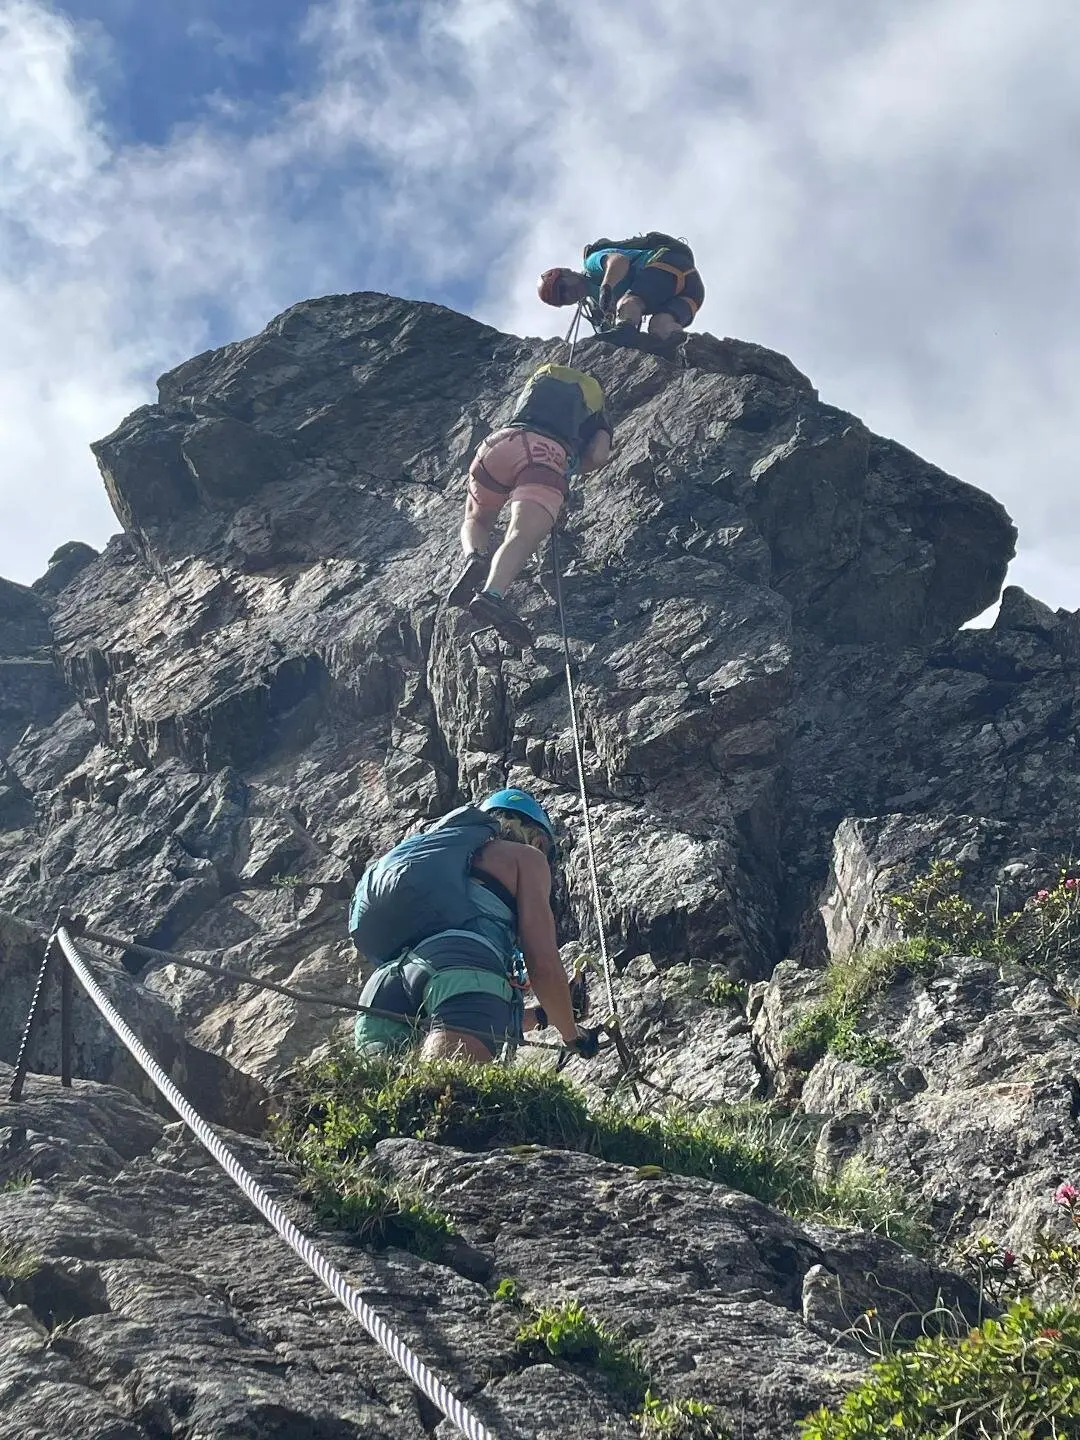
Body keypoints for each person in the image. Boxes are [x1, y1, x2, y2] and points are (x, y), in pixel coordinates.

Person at [352, 788, 599, 1065]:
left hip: (385, 987)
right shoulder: (526, 857)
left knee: (383, 1103)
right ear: (539, 841)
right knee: (450, 1100)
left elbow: (483, 1014)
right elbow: (541, 961)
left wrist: (547, 1015)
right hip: (460, 967)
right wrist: (572, 1035)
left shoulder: (444, 858)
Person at [446, 364, 614, 647]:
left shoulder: (538, 384)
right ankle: (491, 595)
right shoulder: (597, 411)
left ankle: (474, 556)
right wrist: (569, 469)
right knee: (521, 535)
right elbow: (598, 455)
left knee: (476, 519)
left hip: (499, 443)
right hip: (545, 454)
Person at [537, 231, 704, 346]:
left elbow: (619, 261)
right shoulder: (596, 308)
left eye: (562, 287)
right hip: (690, 290)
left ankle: (628, 331)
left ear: (567, 272)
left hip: (666, 263)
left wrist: (606, 287)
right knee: (660, 327)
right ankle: (688, 350)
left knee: (629, 303)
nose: (567, 294)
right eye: (562, 298)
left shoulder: (591, 264)